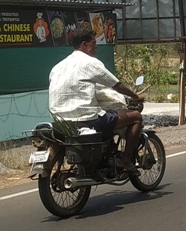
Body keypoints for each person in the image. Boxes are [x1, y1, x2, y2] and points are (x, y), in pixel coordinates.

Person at [48, 24, 144, 175]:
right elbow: (116, 85)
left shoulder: (58, 67)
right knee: (136, 117)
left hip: (60, 121)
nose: (96, 47)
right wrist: (135, 96)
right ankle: (125, 160)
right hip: (87, 120)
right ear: (85, 45)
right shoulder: (90, 63)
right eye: (94, 43)